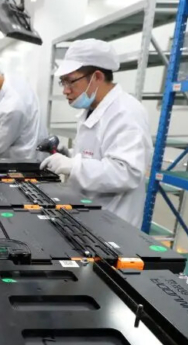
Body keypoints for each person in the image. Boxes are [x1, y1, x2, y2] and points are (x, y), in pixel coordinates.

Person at [40, 39, 151, 227]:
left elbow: (127, 172)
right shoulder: (92, 109)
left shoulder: (126, 113)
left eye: (71, 81)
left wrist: (74, 166)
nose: (65, 90)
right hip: (89, 215)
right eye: (63, 81)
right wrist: (70, 157)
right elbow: (98, 156)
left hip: (113, 222)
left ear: (97, 77)